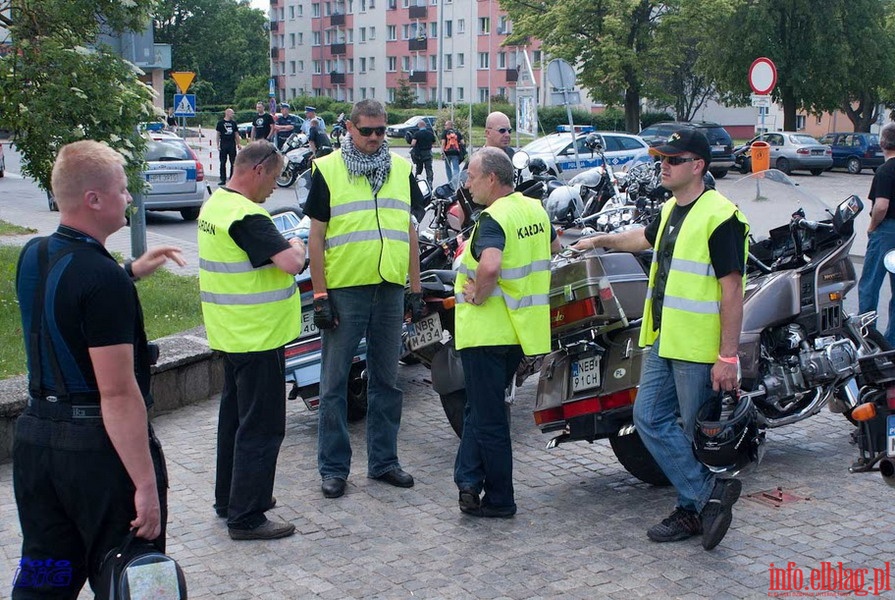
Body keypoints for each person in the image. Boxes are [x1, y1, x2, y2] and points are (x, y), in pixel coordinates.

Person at [12, 140, 184, 597]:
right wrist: (145, 487)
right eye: (123, 189)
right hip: (96, 455)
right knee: (134, 577)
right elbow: (118, 393)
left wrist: (128, 271)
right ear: (94, 199)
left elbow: (68, 299)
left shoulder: (33, 254)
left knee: (45, 573)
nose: (129, 198)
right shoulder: (102, 279)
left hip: (35, 443)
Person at [571, 128, 749, 551]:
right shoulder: (672, 209)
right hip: (664, 340)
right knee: (648, 419)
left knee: (696, 431)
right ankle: (706, 496)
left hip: (698, 347)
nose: (663, 166)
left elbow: (733, 289)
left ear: (698, 166)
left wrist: (727, 355)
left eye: (672, 159)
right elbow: (644, 238)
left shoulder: (720, 216)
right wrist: (599, 240)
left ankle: (693, 504)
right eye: (661, 159)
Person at [305, 99, 425, 499]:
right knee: (334, 383)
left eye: (381, 131)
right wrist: (320, 294)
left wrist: (416, 287)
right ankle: (334, 468)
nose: (374, 138)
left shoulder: (403, 170)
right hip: (345, 291)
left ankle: (384, 461)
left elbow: (409, 232)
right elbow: (316, 239)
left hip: (389, 288)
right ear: (350, 130)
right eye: (366, 131)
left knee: (387, 381)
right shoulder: (327, 170)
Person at [198, 141, 307, 540]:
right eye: (275, 178)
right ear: (258, 169)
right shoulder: (247, 215)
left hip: (231, 332)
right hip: (258, 335)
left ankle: (229, 498)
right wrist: (295, 243)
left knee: (234, 422)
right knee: (261, 428)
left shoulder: (216, 205)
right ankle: (247, 516)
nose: (274, 189)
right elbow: (292, 262)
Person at [453, 147, 559, 519]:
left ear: (492, 179)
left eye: (471, 177)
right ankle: (467, 480)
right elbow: (554, 247)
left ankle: (500, 499)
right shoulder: (534, 209)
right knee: (479, 411)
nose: (467, 184)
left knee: (490, 419)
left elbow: (491, 265)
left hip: (487, 332)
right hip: (519, 331)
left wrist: (479, 296)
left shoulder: (493, 218)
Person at [858, 122, 895, 347]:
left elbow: (881, 206)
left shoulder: (885, 171)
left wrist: (872, 226)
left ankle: (866, 337)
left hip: (886, 232)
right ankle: (891, 344)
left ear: (882, 143)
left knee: (870, 283)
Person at [216, 108, 241, 185]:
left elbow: (236, 134)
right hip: (223, 144)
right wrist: (217, 145)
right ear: (227, 113)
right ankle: (223, 179)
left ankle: (232, 178)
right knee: (222, 162)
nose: (233, 114)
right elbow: (218, 134)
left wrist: (238, 143)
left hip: (232, 144)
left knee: (233, 162)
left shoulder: (233, 123)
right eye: (232, 113)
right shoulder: (220, 123)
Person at [410, 119, 436, 186]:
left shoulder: (417, 134)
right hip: (428, 153)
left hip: (419, 154)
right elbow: (433, 141)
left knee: (419, 168)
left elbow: (413, 144)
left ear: (419, 125)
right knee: (429, 168)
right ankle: (430, 181)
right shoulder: (430, 133)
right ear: (425, 125)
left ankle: (416, 182)